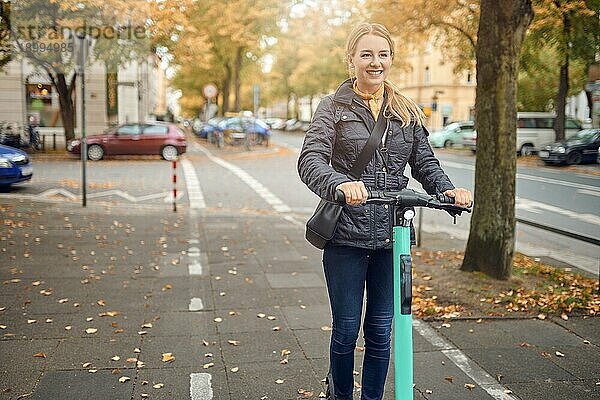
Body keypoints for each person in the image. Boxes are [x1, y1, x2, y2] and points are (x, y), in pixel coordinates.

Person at [297, 22, 472, 400]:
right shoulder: (333, 107)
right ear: (351, 60)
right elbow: (310, 160)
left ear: (391, 59)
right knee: (345, 330)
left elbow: (424, 163)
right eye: (366, 54)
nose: (375, 62)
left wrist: (447, 190)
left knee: (380, 330)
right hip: (345, 235)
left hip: (393, 237)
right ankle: (340, 393)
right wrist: (339, 184)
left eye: (382, 54)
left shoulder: (406, 110)